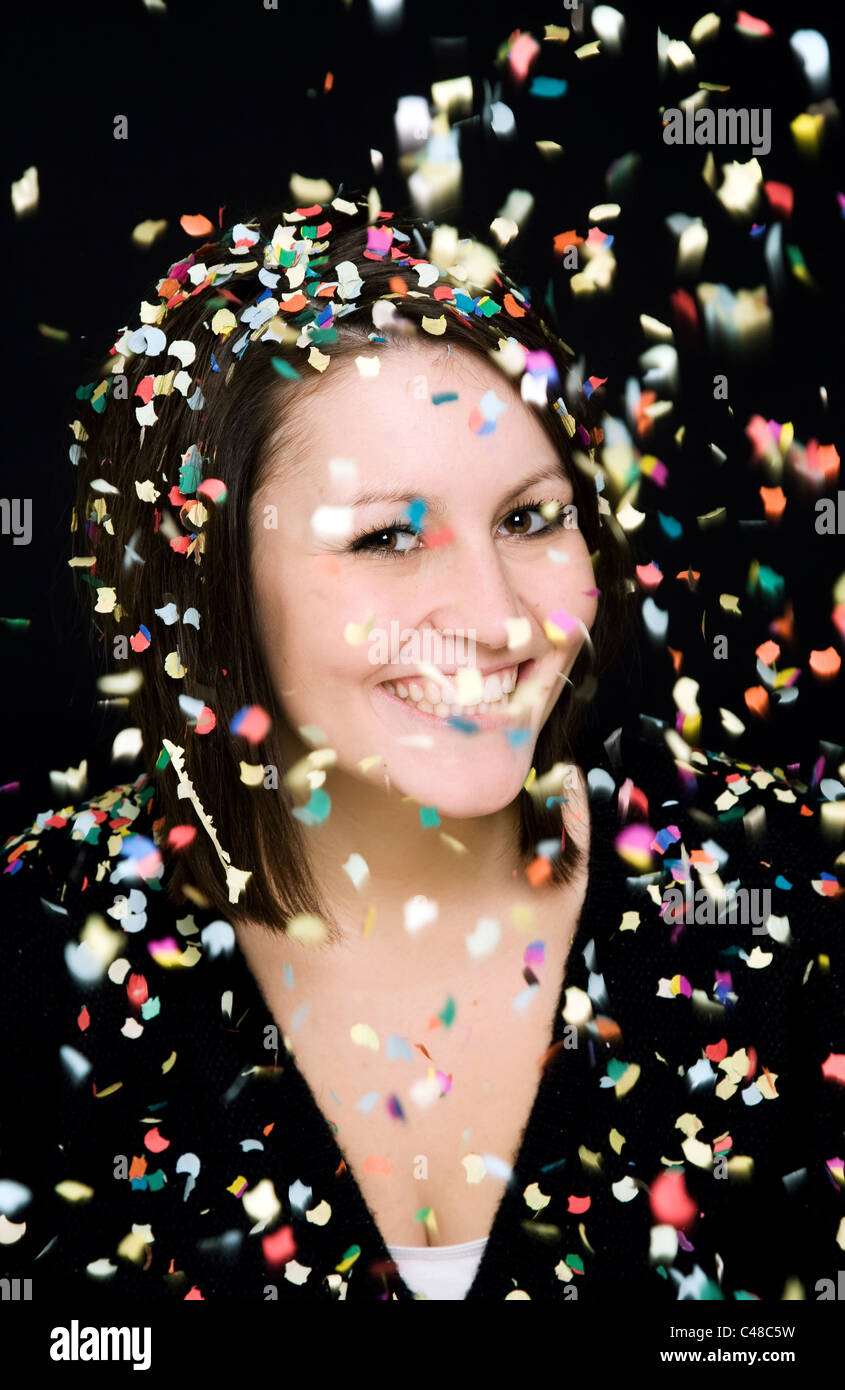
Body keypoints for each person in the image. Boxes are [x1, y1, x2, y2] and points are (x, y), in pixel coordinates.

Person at [1, 195, 841, 1303]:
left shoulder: (790, 898)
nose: (496, 617)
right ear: (205, 586)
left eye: (530, 518)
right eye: (389, 536)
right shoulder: (37, 948)